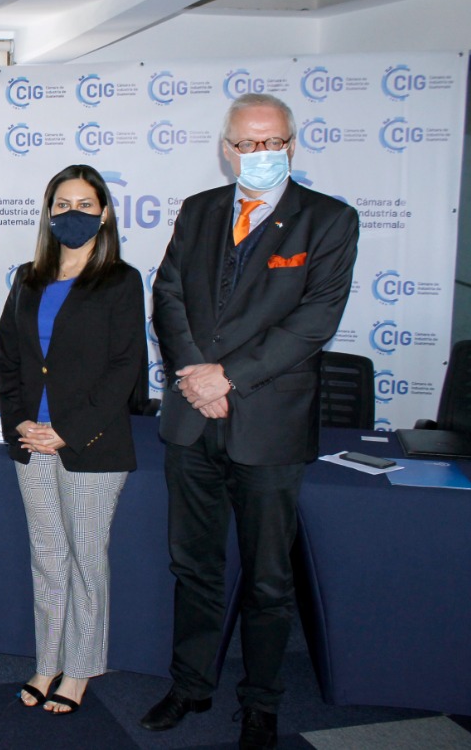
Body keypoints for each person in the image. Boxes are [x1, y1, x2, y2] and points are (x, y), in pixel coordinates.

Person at [141, 93, 358, 750]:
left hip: (267, 426)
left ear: (291, 145)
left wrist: (227, 377)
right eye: (246, 144)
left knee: (268, 578)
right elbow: (168, 295)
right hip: (191, 421)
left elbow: (314, 321)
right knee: (194, 565)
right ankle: (190, 684)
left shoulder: (328, 220)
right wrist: (194, 374)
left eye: (273, 143)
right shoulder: (200, 210)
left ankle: (261, 700)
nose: (259, 155)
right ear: (226, 148)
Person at [0, 165, 145, 714]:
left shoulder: (121, 280)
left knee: (86, 559)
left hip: (91, 447)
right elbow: (8, 359)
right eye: (62, 204)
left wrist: (67, 431)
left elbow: (125, 366)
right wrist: (20, 423)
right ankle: (46, 661)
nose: (72, 214)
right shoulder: (26, 278)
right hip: (31, 443)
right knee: (48, 557)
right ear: (48, 211)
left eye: (85, 204)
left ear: (104, 213)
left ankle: (81, 669)